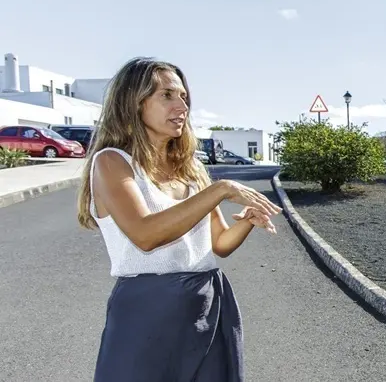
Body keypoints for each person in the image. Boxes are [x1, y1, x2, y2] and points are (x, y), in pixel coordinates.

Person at [76, 57, 282, 382]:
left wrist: (246, 221)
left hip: (207, 303)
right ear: (134, 102)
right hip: (146, 312)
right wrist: (221, 190)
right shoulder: (112, 162)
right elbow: (145, 234)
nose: (181, 106)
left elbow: (219, 244)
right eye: (167, 95)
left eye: (184, 97)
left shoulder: (191, 168)